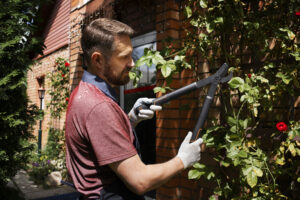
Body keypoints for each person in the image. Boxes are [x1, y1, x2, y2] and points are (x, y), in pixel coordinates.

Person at [65, 18, 203, 200]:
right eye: (124, 57)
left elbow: (99, 144)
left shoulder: (84, 92)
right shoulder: (98, 106)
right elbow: (140, 181)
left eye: (131, 55)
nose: (132, 63)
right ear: (97, 60)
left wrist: (129, 120)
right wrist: (183, 159)